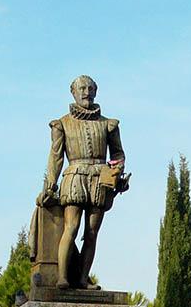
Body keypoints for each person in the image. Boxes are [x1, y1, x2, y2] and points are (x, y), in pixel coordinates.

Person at [37, 75, 128, 289]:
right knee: (72, 227)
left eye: (90, 88)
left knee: (92, 232)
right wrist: (51, 184)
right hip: (75, 176)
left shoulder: (109, 125)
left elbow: (118, 153)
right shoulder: (62, 124)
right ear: (73, 92)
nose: (86, 91)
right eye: (82, 88)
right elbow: (56, 157)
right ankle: (62, 277)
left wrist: (118, 170)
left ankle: (83, 278)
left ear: (95, 91)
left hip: (101, 178)